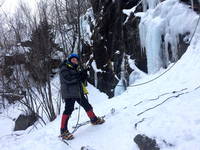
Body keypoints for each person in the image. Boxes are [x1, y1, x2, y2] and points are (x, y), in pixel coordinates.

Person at [59, 53, 105, 140]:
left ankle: (94, 119)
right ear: (69, 60)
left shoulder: (74, 69)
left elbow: (79, 80)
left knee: (87, 105)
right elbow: (68, 79)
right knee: (68, 110)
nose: (75, 61)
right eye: (73, 59)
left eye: (76, 60)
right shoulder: (64, 68)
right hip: (69, 93)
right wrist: (79, 75)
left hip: (77, 92)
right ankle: (63, 130)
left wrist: (83, 75)